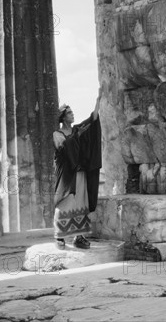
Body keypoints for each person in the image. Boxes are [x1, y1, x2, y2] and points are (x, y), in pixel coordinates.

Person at [53, 96, 102, 249]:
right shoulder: (57, 134)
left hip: (80, 173)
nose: (73, 115)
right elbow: (64, 148)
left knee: (81, 202)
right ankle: (59, 236)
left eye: (73, 112)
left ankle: (78, 237)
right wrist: (77, 136)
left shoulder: (76, 131)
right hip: (67, 177)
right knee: (65, 203)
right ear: (63, 117)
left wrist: (98, 102)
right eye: (69, 113)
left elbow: (91, 121)